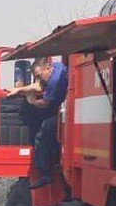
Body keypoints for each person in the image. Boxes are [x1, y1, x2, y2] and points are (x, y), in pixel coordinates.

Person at [5, 56, 69, 188]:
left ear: (48, 69)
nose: (39, 79)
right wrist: (19, 90)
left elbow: (44, 103)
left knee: (44, 131)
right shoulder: (58, 68)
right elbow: (39, 85)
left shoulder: (54, 79)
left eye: (39, 75)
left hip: (68, 115)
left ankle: (45, 173)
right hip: (68, 112)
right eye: (36, 76)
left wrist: (31, 100)